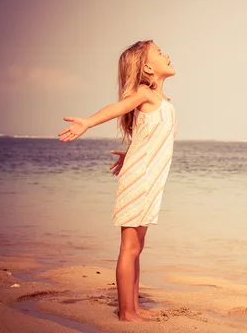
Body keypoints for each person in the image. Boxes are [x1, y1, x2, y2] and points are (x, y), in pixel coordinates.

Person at [58, 40, 177, 321]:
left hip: (148, 181)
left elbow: (148, 137)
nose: (167, 54)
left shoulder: (161, 101)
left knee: (138, 247)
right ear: (147, 67)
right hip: (139, 181)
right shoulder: (143, 93)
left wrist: (130, 155)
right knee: (129, 247)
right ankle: (125, 313)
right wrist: (87, 121)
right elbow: (117, 107)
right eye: (159, 53)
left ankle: (133, 306)